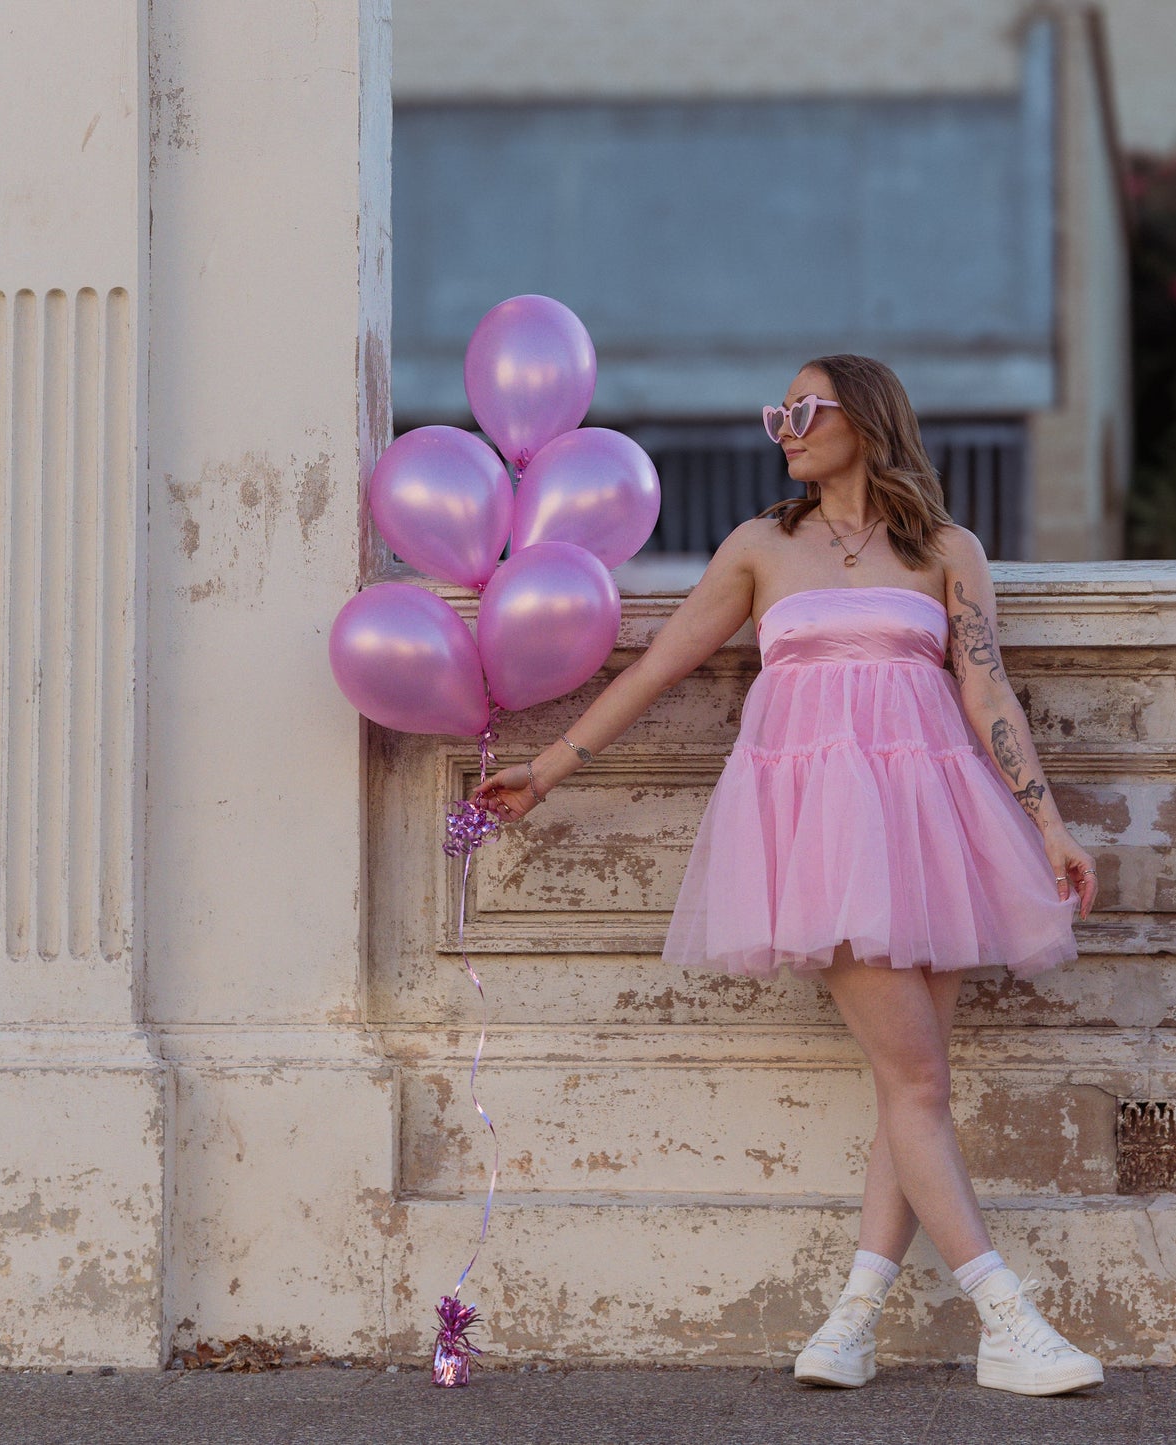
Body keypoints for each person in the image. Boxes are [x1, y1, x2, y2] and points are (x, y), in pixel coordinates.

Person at [472, 354, 1103, 1396]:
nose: (785, 427)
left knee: (912, 1089)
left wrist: (1045, 825)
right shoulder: (760, 547)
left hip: (930, 821)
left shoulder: (946, 550)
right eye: (778, 412)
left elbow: (987, 689)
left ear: (863, 415)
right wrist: (546, 768)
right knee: (917, 1083)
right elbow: (658, 662)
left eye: (803, 408)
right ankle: (1006, 1313)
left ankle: (848, 1323)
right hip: (819, 829)